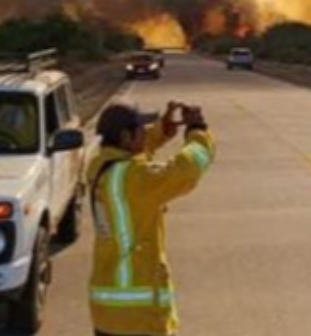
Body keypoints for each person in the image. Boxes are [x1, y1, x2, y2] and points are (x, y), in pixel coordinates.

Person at [87, 101, 215, 336]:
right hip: (138, 316)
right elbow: (185, 170)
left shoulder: (100, 167)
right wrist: (197, 131)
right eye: (140, 130)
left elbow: (131, 155)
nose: (144, 134)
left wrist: (162, 131)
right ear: (126, 136)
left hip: (107, 313)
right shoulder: (134, 179)